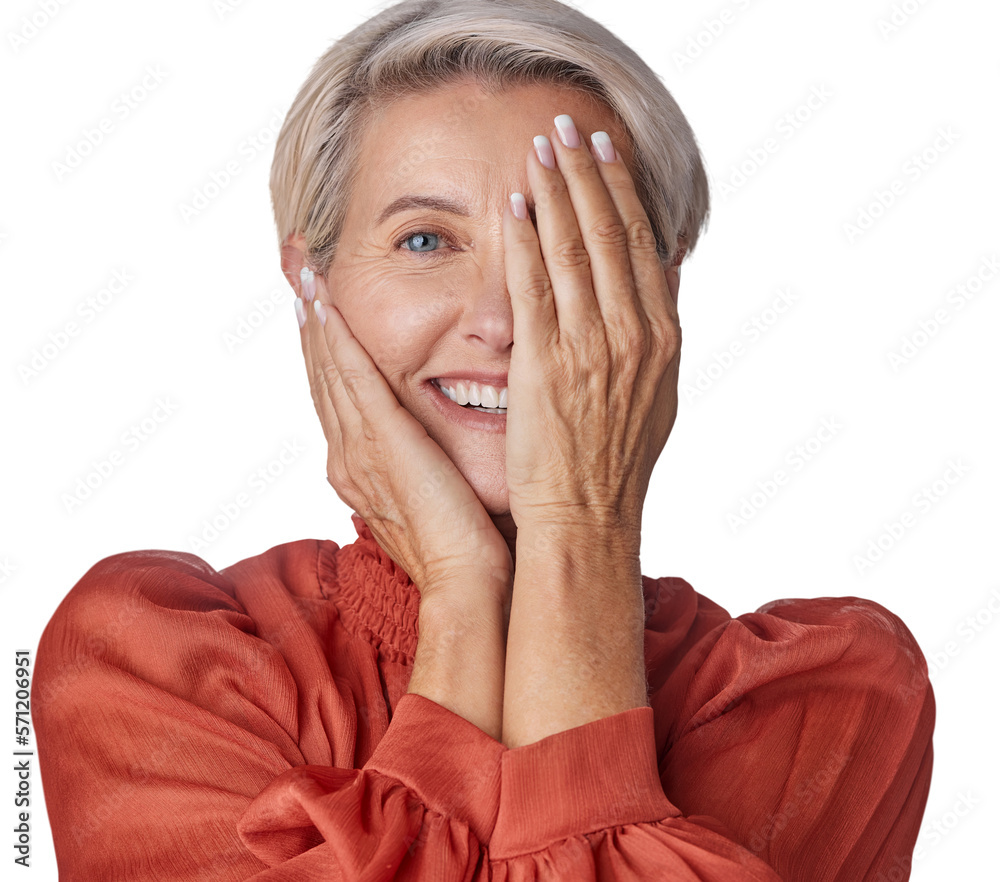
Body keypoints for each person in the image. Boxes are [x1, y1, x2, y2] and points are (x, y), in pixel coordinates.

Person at [32, 0, 934, 879]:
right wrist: (464, 594)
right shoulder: (148, 662)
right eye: (425, 239)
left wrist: (577, 534)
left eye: (565, 249)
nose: (502, 321)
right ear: (312, 283)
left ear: (659, 297)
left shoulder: (825, 697)